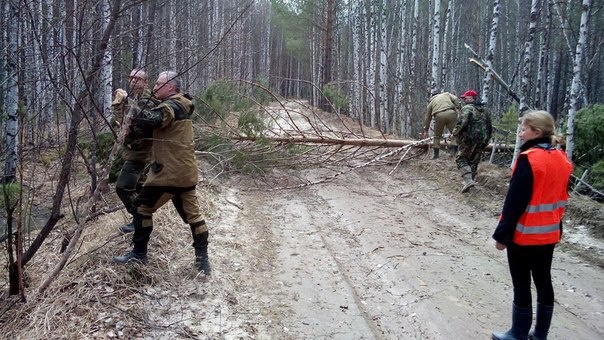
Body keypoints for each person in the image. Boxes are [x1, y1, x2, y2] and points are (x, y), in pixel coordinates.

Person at [114, 71, 211, 274]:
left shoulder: (173, 105)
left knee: (141, 208)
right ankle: (203, 262)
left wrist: (127, 104)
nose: (155, 87)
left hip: (169, 173)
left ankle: (139, 254)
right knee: (194, 216)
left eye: (158, 84)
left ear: (170, 87)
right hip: (185, 173)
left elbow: (153, 119)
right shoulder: (181, 104)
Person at [491, 111, 573, 340]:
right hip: (550, 234)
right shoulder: (562, 158)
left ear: (536, 132)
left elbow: (514, 203)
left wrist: (502, 235)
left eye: (524, 129)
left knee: (522, 284)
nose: (520, 132)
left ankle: (518, 333)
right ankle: (540, 335)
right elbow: (560, 197)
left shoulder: (529, 159)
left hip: (524, 235)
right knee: (544, 282)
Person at [112, 68, 158, 234]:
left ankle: (140, 220)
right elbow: (124, 124)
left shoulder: (148, 101)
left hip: (141, 154)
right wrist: (120, 106)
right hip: (135, 152)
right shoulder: (136, 99)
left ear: (145, 82)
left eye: (137, 79)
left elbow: (137, 126)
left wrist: (123, 104)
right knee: (137, 188)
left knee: (123, 187)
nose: (132, 81)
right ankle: (140, 222)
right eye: (131, 78)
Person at [452, 89, 492, 193]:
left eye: (465, 97)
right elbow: (490, 126)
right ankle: (469, 183)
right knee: (474, 161)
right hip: (482, 140)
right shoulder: (485, 110)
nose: (464, 99)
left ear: (471, 98)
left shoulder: (468, 108)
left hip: (469, 138)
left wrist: (455, 133)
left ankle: (468, 181)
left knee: (460, 158)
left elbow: (462, 122)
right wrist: (487, 139)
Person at [422, 91, 463, 159]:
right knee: (455, 133)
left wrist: (426, 130)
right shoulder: (446, 94)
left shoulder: (431, 102)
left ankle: (436, 155)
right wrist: (459, 108)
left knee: (437, 136)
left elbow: (427, 117)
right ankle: (453, 152)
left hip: (439, 115)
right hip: (451, 113)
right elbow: (455, 99)